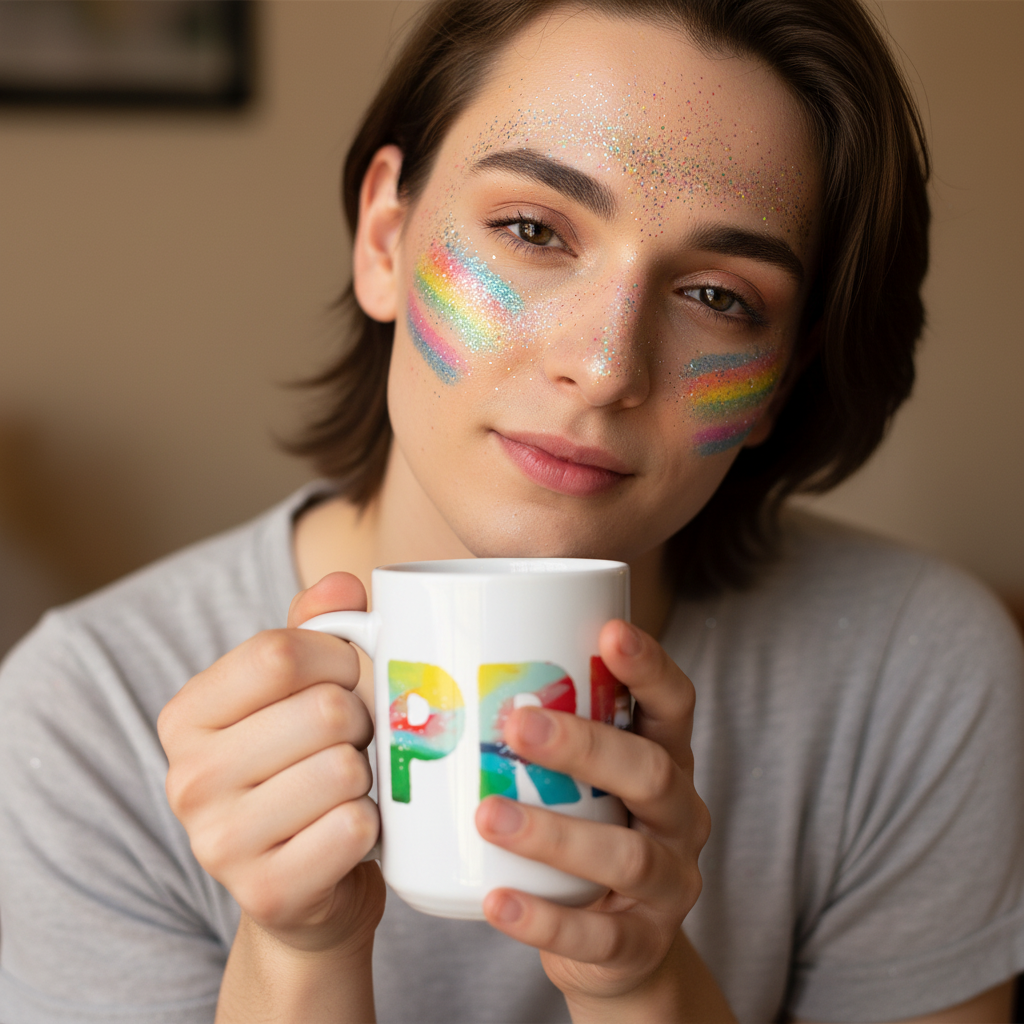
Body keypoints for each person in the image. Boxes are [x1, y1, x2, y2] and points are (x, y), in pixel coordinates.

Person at [1, 0, 1022, 1021]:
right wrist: (295, 953)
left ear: (778, 383)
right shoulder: (86, 720)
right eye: (532, 229)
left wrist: (641, 980)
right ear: (384, 237)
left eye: (717, 296)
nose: (604, 364)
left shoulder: (911, 676)